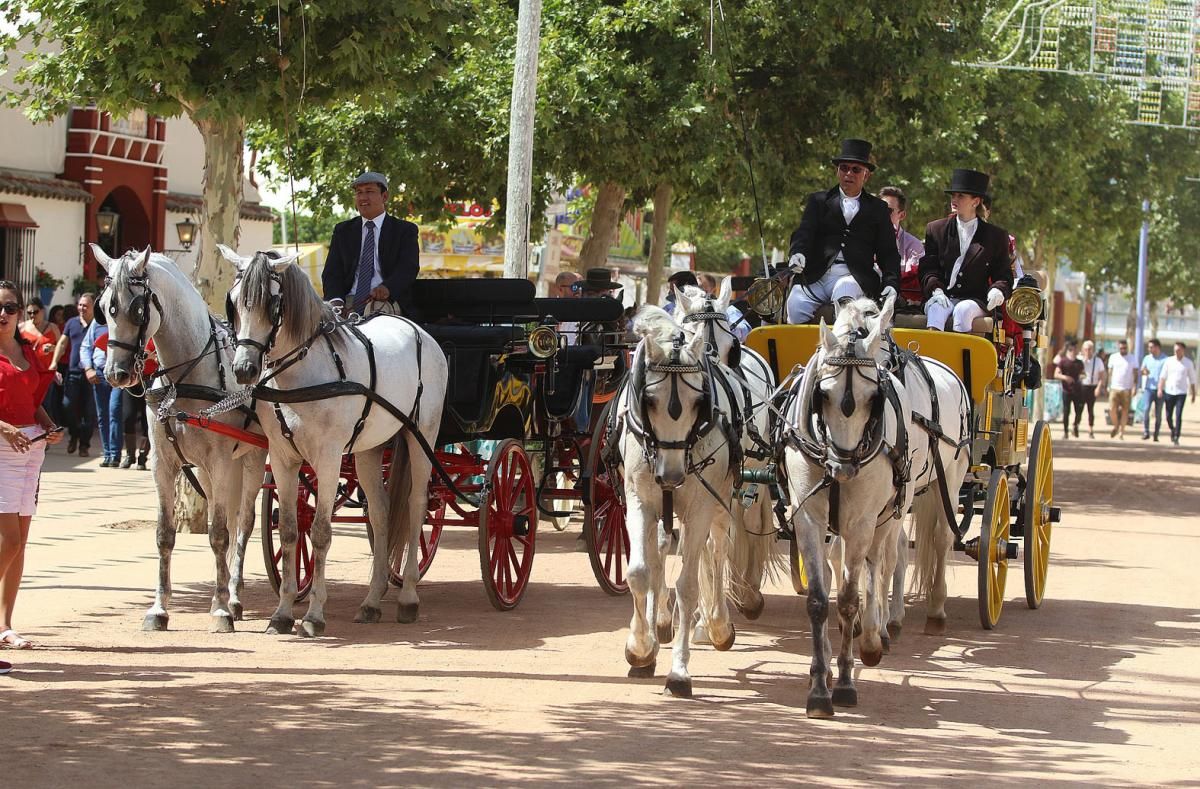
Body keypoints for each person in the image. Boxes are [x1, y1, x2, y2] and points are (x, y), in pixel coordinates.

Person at [0, 280, 62, 655]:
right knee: (7, 540)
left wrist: (50, 425)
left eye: (9, 307)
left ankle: (5, 625)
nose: (2, 314)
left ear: (21, 313)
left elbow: (33, 401)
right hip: (2, 450)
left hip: (32, 451)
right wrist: (4, 428)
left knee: (20, 542)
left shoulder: (29, 354)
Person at [783, 139, 900, 323]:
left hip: (852, 277)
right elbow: (804, 232)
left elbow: (889, 253)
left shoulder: (878, 208)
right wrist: (797, 252)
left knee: (845, 302)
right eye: (844, 168)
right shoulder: (818, 201)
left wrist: (891, 283)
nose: (849, 173)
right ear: (837, 171)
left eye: (856, 169)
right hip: (817, 275)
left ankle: (842, 350)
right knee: (795, 303)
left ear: (866, 175)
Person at [918, 169, 1014, 332]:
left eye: (960, 196)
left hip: (975, 300)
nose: (954, 200)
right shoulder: (936, 229)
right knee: (936, 309)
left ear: (975, 202)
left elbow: (1003, 275)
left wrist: (998, 290)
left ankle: (960, 357)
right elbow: (929, 268)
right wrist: (936, 290)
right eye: (953, 195)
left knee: (963, 310)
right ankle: (931, 355)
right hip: (943, 295)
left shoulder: (995, 236)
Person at [321, 171, 420, 318]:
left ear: (384, 196)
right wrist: (336, 301)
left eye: (369, 191)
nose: (362, 198)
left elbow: (408, 267)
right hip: (347, 303)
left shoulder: (404, 230)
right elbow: (332, 272)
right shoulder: (343, 231)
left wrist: (387, 288)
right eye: (359, 192)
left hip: (385, 302)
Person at [79, 311, 122, 466]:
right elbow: (85, 347)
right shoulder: (97, 323)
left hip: (118, 375)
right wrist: (88, 369)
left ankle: (115, 454)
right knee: (102, 414)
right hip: (99, 373)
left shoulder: (122, 321)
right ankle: (107, 454)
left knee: (114, 411)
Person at [60, 293, 95, 457]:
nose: (82, 308)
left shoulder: (99, 324)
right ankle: (74, 433)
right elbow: (62, 343)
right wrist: (54, 363)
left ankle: (84, 444)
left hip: (92, 375)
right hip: (73, 372)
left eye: (85, 305)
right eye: (80, 305)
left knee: (89, 412)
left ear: (93, 307)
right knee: (67, 406)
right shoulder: (71, 323)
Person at [879, 186, 924, 306]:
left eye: (888, 211)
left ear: (902, 215)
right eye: (879, 209)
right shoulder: (865, 239)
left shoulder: (914, 245)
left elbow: (911, 282)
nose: (882, 215)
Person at [1158, 342, 1197, 446]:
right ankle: (1173, 429)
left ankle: (1176, 436)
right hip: (1169, 391)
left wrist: (1193, 393)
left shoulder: (1188, 363)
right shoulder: (1169, 361)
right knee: (1168, 416)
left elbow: (1192, 379)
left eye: (1179, 350)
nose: (1176, 352)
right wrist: (1160, 389)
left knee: (1178, 415)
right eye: (1175, 350)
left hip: (1181, 392)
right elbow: (1163, 376)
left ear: (1183, 350)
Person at [1106, 339, 1137, 439]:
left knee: (1125, 410)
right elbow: (1110, 372)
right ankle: (1116, 426)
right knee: (1112, 409)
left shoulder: (1133, 358)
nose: (1123, 349)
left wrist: (1134, 386)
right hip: (1114, 387)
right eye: (1121, 348)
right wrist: (1108, 385)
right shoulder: (1113, 357)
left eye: (1124, 348)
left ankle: (1121, 433)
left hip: (1126, 388)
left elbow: (1135, 373)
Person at [1054, 342, 1084, 439]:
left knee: (1078, 411)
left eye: (1077, 350)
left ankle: (1075, 425)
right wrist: (1066, 377)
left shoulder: (1079, 363)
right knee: (1066, 411)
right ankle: (1066, 431)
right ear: (1070, 350)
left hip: (1078, 390)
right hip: (1066, 391)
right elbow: (1056, 374)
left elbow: (1083, 374)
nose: (1076, 352)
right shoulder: (1063, 362)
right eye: (1074, 350)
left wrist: (1082, 377)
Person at [1140, 338, 1168, 441]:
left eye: (1151, 347)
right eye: (1149, 347)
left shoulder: (1165, 359)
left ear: (1157, 347)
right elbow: (1142, 370)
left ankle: (1156, 433)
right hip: (1149, 388)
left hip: (1161, 390)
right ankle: (1146, 431)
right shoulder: (1147, 358)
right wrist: (1144, 371)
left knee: (1158, 412)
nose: (1149, 349)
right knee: (1146, 409)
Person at [1078, 340, 1105, 438]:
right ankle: (1076, 425)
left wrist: (1099, 387)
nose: (1088, 351)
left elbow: (1102, 376)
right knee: (1079, 408)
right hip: (1082, 386)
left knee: (1090, 409)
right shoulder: (1079, 359)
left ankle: (1090, 429)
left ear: (1092, 350)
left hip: (1092, 386)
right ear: (1082, 350)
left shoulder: (1098, 361)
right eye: (1086, 349)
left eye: (1089, 349)